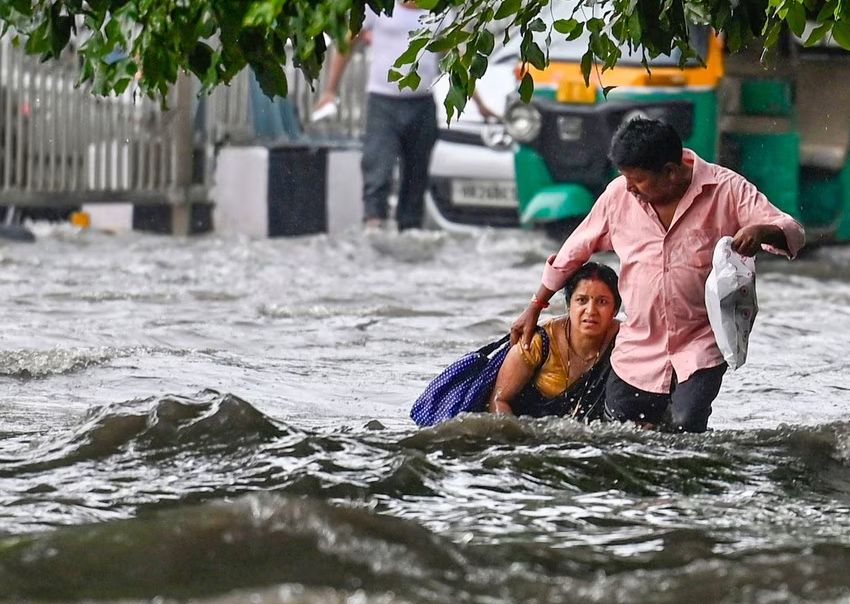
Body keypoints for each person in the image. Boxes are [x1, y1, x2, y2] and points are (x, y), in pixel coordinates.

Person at [509, 118, 805, 433]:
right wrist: (535, 305)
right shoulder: (617, 197)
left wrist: (763, 231)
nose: (630, 188)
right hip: (638, 346)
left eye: (638, 180)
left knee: (686, 426)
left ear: (670, 172)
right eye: (625, 178)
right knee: (618, 431)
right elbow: (573, 251)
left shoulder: (727, 189)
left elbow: (793, 232)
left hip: (699, 344)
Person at [313, 2, 498, 231]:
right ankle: (373, 228)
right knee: (377, 171)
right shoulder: (377, 7)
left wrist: (478, 103)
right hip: (383, 103)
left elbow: (456, 61)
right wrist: (330, 89)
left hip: (421, 105)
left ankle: (410, 233)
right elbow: (346, 45)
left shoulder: (439, 12)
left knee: (416, 180)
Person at [490, 262, 621, 420]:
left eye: (602, 302)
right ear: (568, 305)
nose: (591, 311)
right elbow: (499, 400)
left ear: (615, 309)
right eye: (581, 300)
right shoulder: (538, 342)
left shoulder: (624, 341)